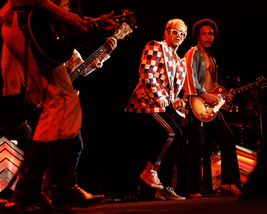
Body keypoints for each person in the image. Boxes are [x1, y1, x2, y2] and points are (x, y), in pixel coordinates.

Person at [0, 0, 118, 212]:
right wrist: (64, 16)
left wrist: (91, 23)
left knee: (56, 107)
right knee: (64, 100)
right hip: (23, 26)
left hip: (22, 26)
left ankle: (29, 193)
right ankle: (62, 187)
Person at [125, 18, 188, 200]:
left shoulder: (179, 61)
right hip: (146, 103)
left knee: (175, 140)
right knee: (172, 133)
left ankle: (163, 187)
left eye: (182, 34)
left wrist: (176, 101)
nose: (178, 36)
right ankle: (151, 170)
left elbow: (173, 91)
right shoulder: (155, 47)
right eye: (174, 32)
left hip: (163, 106)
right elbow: (147, 72)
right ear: (166, 32)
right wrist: (158, 95)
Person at [178, 18, 241, 198]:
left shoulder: (212, 58)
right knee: (197, 146)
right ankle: (193, 189)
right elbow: (189, 81)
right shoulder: (192, 53)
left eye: (211, 33)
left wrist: (222, 97)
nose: (208, 37)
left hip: (212, 108)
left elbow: (213, 85)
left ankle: (229, 183)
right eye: (204, 33)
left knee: (228, 138)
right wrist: (207, 96)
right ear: (197, 36)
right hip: (196, 104)